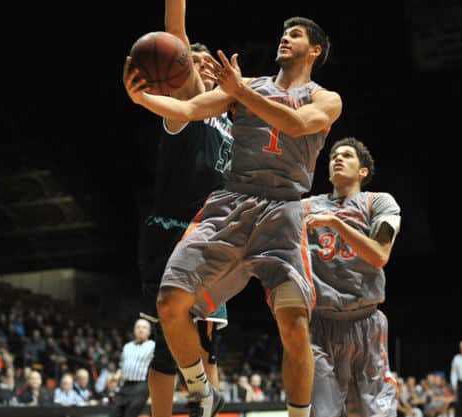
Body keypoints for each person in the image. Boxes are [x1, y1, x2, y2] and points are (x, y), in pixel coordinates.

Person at [124, 13, 342, 417]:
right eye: (282, 31)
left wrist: (240, 91)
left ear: (315, 50)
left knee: (295, 326)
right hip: (232, 203)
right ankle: (201, 392)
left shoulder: (324, 97)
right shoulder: (246, 87)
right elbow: (189, 108)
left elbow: (296, 125)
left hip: (283, 209)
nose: (284, 38)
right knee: (170, 303)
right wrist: (142, 99)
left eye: (294, 34)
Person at [134, 1, 234, 416]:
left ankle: (205, 410)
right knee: (166, 346)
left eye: (208, 62)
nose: (203, 67)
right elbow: (175, 34)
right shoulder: (184, 107)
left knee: (209, 345)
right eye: (193, 62)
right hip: (172, 232)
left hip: (213, 240)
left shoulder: (233, 124)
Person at [303, 138, 400, 417]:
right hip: (321, 323)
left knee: (378, 412)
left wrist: (336, 223)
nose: (338, 159)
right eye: (334, 155)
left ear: (363, 171)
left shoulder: (378, 202)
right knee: (321, 412)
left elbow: (379, 255)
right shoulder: (308, 207)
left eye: (347, 155)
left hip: (366, 320)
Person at [110, 318, 155, 417]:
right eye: (138, 327)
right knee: (114, 412)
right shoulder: (127, 346)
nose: (140, 330)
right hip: (125, 385)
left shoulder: (153, 346)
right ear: (134, 330)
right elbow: (122, 366)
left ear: (149, 332)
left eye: (144, 327)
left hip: (141, 385)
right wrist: (114, 379)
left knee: (130, 413)